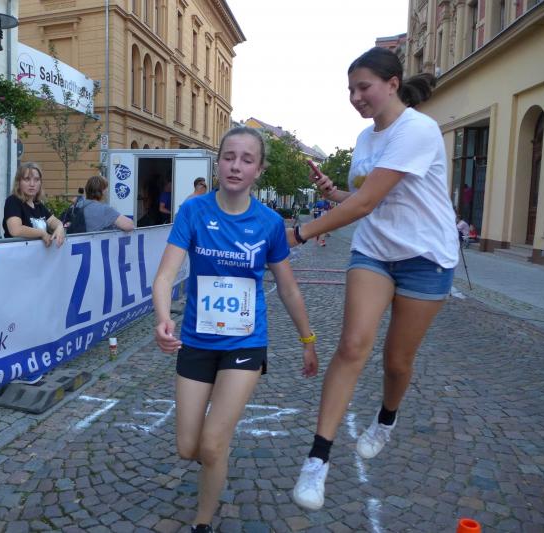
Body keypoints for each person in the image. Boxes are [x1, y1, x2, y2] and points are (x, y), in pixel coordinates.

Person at [286, 47, 459, 511]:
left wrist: (299, 233)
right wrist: (334, 194)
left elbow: (366, 201)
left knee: (396, 362)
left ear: (392, 84)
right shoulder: (365, 138)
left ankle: (386, 420)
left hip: (426, 256)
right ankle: (317, 460)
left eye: (363, 87)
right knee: (351, 346)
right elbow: (365, 200)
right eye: (350, 90)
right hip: (375, 251)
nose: (355, 97)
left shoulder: (418, 129)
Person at [153, 126, 318, 533]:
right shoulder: (194, 211)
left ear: (258, 170)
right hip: (196, 340)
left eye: (247, 159)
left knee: (212, 444)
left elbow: (287, 287)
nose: (235, 166)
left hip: (246, 342)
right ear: (218, 163)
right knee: (187, 447)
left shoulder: (269, 223)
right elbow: (166, 275)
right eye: (229, 157)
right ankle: (214, 453)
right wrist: (162, 317)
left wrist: (308, 340)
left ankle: (203, 522)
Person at [3, 162, 66, 247]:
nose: (32, 184)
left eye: (36, 180)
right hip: (17, 253)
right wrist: (42, 233)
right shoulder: (13, 201)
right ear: (19, 182)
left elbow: (52, 221)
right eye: (27, 179)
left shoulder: (38, 204)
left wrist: (59, 227)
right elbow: (15, 230)